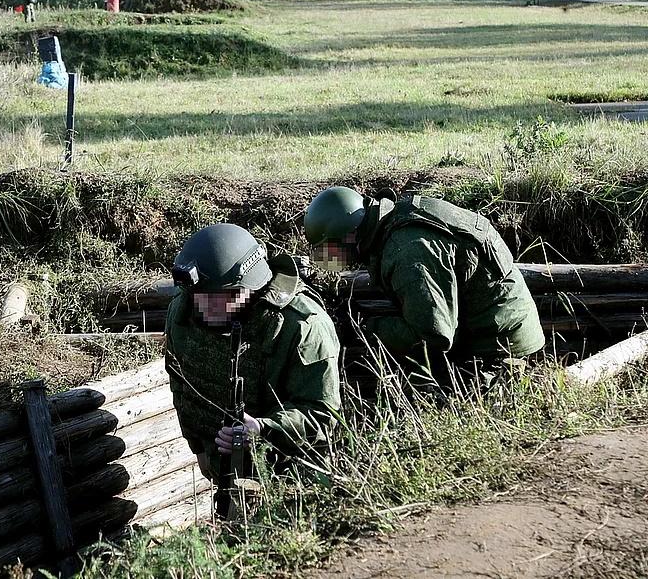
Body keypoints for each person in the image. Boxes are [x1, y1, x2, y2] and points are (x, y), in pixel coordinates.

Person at [303, 187, 545, 389]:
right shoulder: (399, 220)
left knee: (412, 396)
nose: (332, 258)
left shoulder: (406, 252)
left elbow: (432, 336)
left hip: (498, 353)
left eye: (332, 249)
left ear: (350, 235)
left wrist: (363, 327)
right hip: (492, 333)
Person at [165, 223, 341, 485]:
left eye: (218, 298)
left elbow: (321, 412)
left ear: (249, 287)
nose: (205, 307)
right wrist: (198, 447)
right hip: (224, 472)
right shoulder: (184, 309)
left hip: (292, 476)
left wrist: (262, 430)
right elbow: (181, 382)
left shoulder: (304, 325)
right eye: (200, 297)